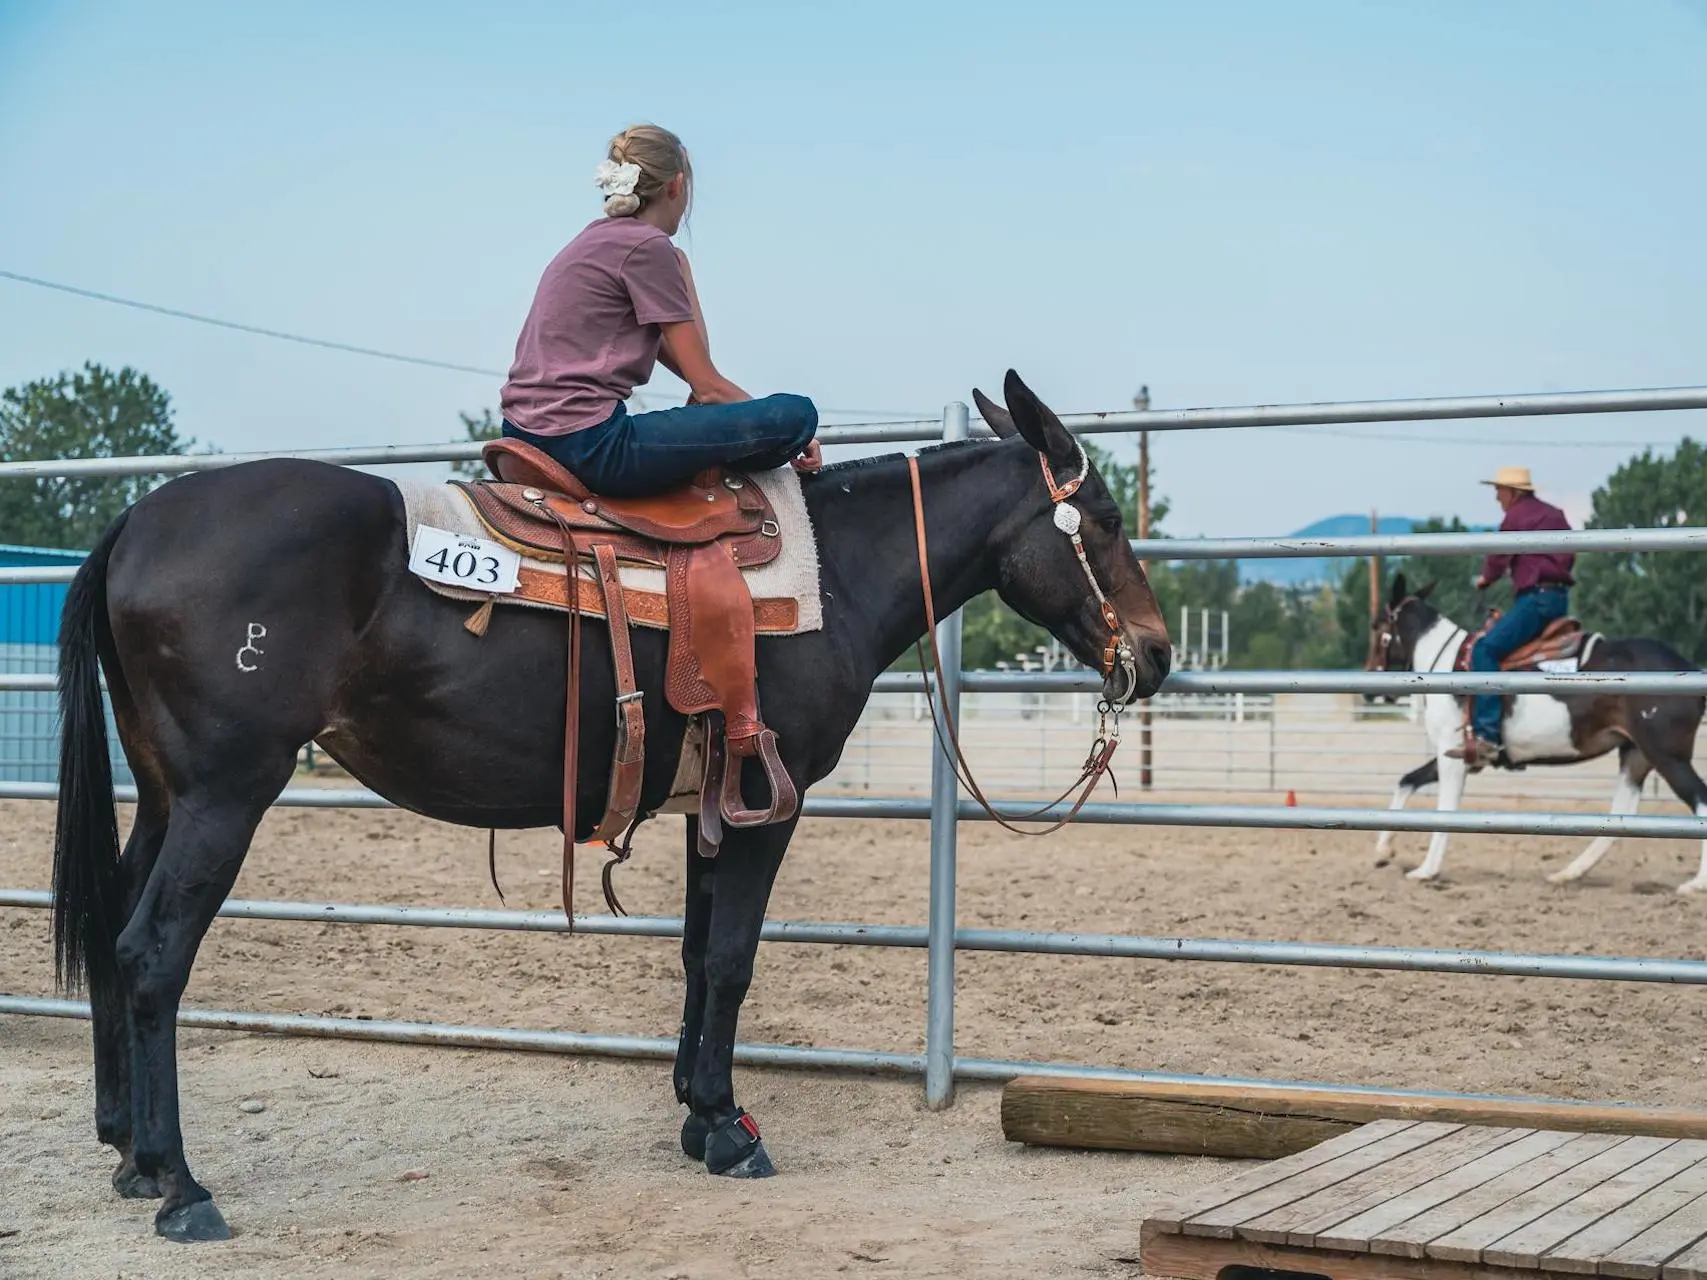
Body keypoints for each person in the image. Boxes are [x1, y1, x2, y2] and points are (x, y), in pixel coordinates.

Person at [499, 124, 820, 498]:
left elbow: (694, 379)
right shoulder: (648, 247)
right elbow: (707, 385)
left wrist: (677, 263)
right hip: (589, 444)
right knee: (797, 413)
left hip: (522, 433)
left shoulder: (593, 238)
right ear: (676, 185)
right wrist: (793, 434)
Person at [1448, 466, 1574, 768]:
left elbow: (1498, 555)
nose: (1496, 496)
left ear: (1515, 492)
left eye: (1499, 490)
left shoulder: (1518, 515)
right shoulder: (1555, 515)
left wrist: (1486, 579)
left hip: (1536, 600)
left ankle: (1488, 735)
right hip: (1557, 598)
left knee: (1485, 649)